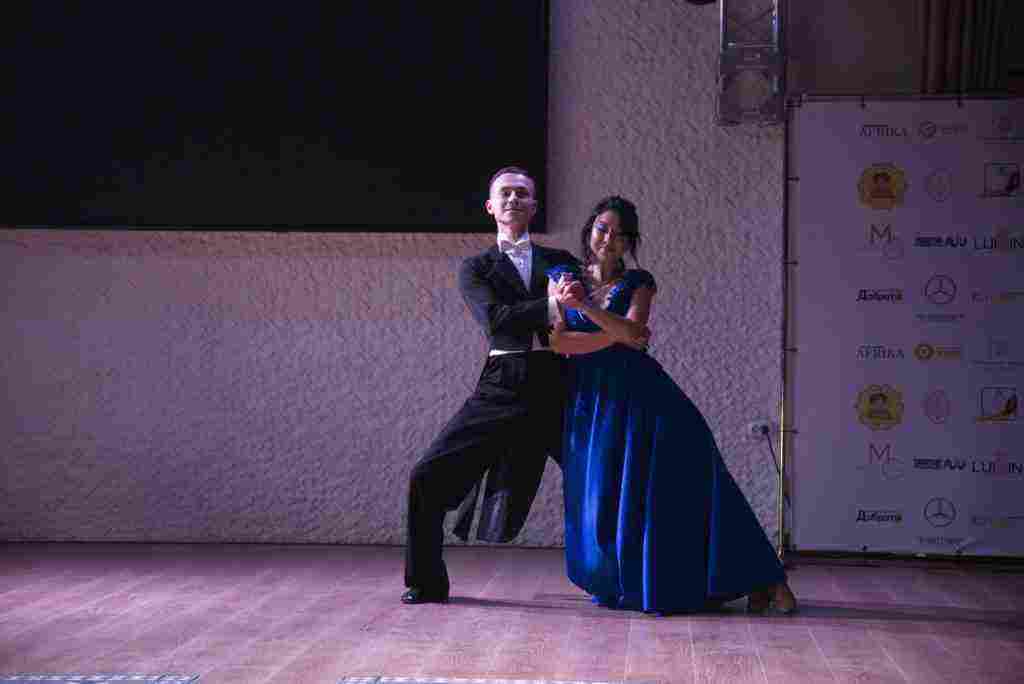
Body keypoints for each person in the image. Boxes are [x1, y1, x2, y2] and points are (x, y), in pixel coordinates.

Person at [547, 195, 797, 615]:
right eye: (603, 229)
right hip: (592, 403)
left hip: (646, 399)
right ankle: (633, 582)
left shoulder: (639, 281)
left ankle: (768, 580)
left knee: (695, 485)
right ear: (590, 230)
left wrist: (586, 310)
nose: (608, 239)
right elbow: (558, 342)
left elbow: (637, 333)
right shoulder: (560, 277)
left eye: (620, 234)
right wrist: (618, 334)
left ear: (630, 241)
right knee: (606, 496)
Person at [401, 166, 585, 604]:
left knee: (607, 473)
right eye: (505, 193)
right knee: (426, 476)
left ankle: (645, 576)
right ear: (490, 206)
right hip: (502, 382)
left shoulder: (561, 259)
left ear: (534, 206)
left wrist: (560, 307)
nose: (513, 199)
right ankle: (426, 582)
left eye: (522, 193)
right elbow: (495, 322)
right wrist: (552, 305)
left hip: (559, 381)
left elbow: (583, 312)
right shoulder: (475, 267)